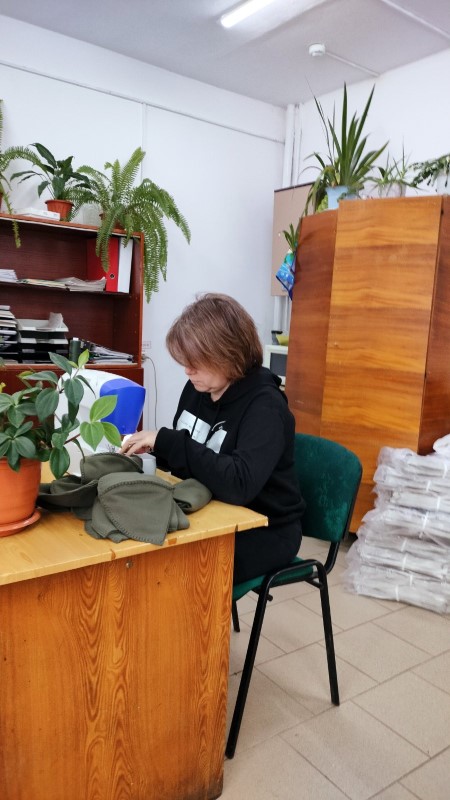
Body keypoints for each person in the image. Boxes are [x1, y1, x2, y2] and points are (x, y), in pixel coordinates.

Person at [120, 293, 305, 583]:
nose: (187, 370)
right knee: (135, 547)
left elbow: (239, 484)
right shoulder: (199, 387)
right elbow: (191, 458)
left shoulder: (266, 407)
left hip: (266, 527)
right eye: (185, 360)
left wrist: (168, 442)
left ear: (229, 354)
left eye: (196, 361)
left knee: (172, 571)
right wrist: (151, 454)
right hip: (213, 508)